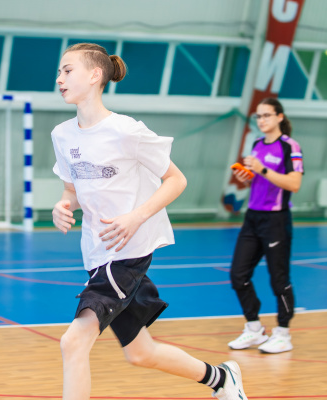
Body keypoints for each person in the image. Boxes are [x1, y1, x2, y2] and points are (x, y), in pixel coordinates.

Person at [51, 43, 247, 400]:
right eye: (59, 72)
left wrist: (135, 217)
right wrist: (62, 205)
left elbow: (176, 180)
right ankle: (221, 379)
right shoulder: (62, 135)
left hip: (127, 253)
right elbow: (72, 190)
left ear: (95, 75)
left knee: (72, 342)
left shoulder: (126, 131)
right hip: (96, 252)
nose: (59, 78)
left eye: (67, 70)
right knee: (141, 352)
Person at [228, 98, 303, 354]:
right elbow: (257, 180)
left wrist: (263, 170)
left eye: (267, 115)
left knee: (279, 279)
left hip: (276, 220)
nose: (262, 120)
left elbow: (294, 184)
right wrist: (246, 177)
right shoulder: (257, 144)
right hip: (253, 218)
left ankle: (283, 333)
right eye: (258, 116)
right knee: (238, 275)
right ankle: (254, 329)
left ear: (280, 117)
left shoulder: (290, 146)